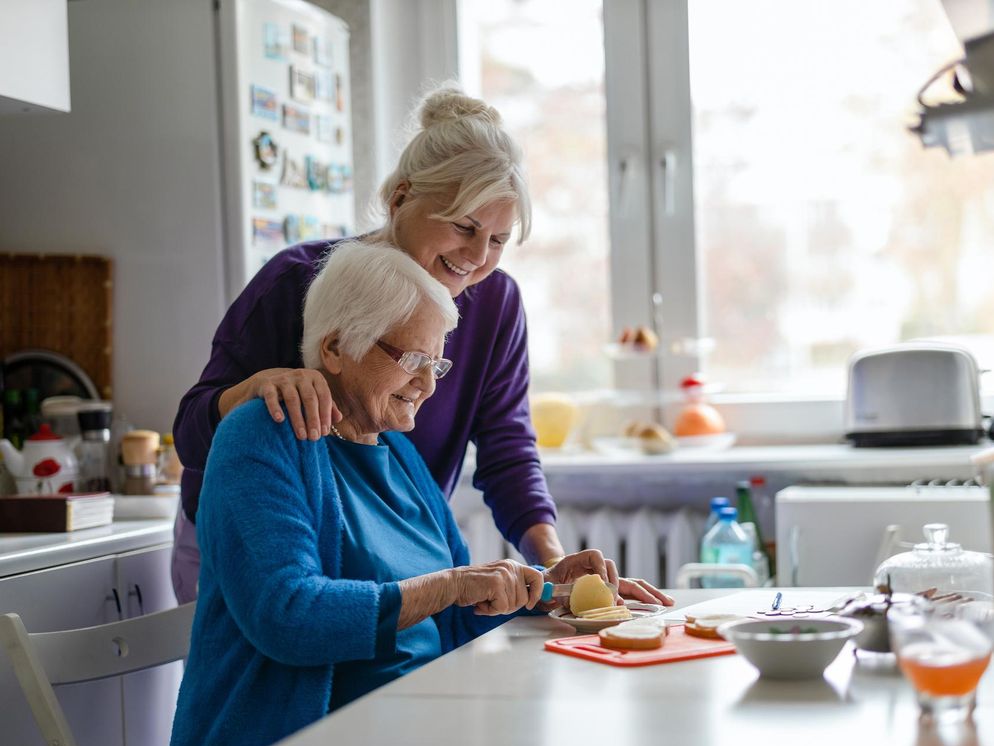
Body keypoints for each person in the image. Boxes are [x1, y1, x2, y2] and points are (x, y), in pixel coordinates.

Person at [171, 83, 670, 607]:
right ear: (399, 197)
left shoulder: (494, 303)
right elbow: (190, 432)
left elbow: (507, 447)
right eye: (464, 226)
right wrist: (254, 388)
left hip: (382, 557)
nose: (478, 256)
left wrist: (549, 562)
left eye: (498, 239)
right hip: (256, 553)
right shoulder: (297, 280)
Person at [163, 242, 601, 746]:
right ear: (337, 347)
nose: (426, 384)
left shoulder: (398, 452)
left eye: (436, 364)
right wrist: (448, 585)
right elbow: (286, 614)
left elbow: (455, 615)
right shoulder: (262, 438)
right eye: (410, 359)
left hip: (413, 739)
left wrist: (547, 590)